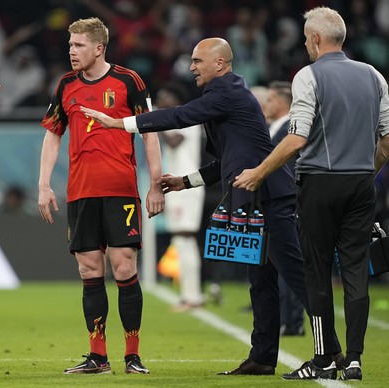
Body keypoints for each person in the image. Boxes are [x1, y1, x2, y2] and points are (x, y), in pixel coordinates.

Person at [81, 36, 343, 376]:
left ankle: (331, 352)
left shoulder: (227, 93)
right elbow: (228, 161)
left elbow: (179, 116)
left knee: (295, 275)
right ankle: (263, 357)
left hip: (270, 197)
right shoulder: (223, 98)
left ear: (220, 63)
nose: (191, 67)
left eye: (197, 61)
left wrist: (123, 123)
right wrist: (185, 181)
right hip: (252, 199)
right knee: (260, 281)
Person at [234, 7, 389, 381]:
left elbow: (297, 136)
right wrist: (368, 172)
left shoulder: (309, 75)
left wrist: (259, 172)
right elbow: (386, 141)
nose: (305, 44)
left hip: (319, 183)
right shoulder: (374, 75)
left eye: (306, 38)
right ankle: (353, 359)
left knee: (316, 273)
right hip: (360, 184)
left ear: (316, 39)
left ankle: (322, 361)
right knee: (355, 272)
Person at [38, 17, 164, 375]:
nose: (71, 51)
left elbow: (149, 131)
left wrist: (154, 183)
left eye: (78, 45)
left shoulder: (128, 81)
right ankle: (97, 357)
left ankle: (133, 355)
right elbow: (52, 134)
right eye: (70, 45)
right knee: (89, 269)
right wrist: (43, 184)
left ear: (98, 48)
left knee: (124, 266)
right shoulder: (65, 85)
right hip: (80, 192)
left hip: (120, 190)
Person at [156, 82, 205, 311]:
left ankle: (192, 296)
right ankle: (190, 295)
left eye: (165, 97)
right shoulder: (175, 122)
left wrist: (155, 121)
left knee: (184, 238)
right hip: (178, 187)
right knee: (182, 240)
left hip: (188, 188)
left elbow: (174, 142)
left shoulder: (187, 120)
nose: (161, 102)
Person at [265, 81, 305, 336]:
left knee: (292, 263)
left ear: (281, 103)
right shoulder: (275, 129)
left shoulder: (291, 130)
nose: (264, 105)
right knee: (283, 264)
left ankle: (294, 322)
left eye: (269, 100)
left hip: (288, 203)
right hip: (279, 204)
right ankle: (288, 320)